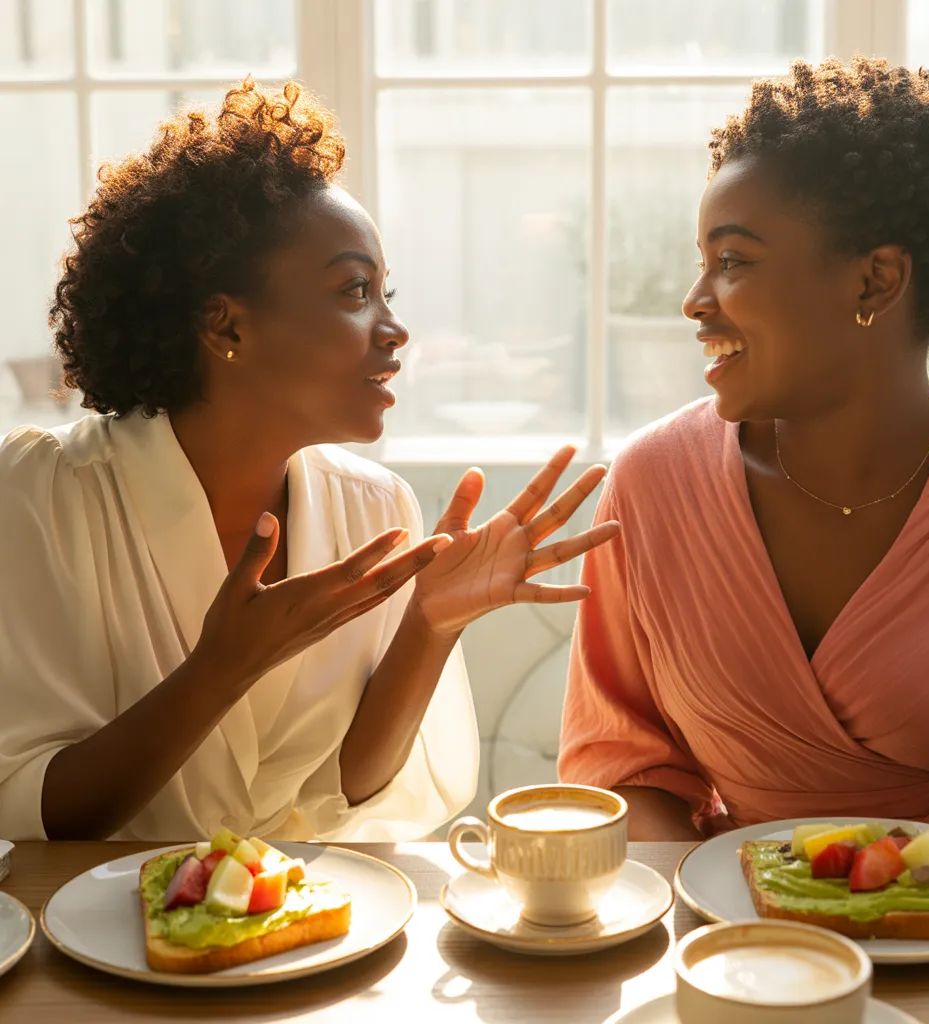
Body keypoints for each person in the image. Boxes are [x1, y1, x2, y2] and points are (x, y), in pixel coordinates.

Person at [0, 78, 619, 842]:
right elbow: (32, 812)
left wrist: (429, 624)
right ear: (225, 325)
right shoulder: (43, 496)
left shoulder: (376, 510)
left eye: (385, 293)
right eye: (355, 290)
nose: (394, 330)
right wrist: (219, 669)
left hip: (305, 942)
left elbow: (345, 797)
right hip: (89, 951)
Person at [559, 58, 929, 840]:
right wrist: (724, 915)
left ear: (875, 281)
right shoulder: (654, 484)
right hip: (728, 942)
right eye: (702, 262)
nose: (695, 300)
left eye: (733, 261)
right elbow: (624, 765)